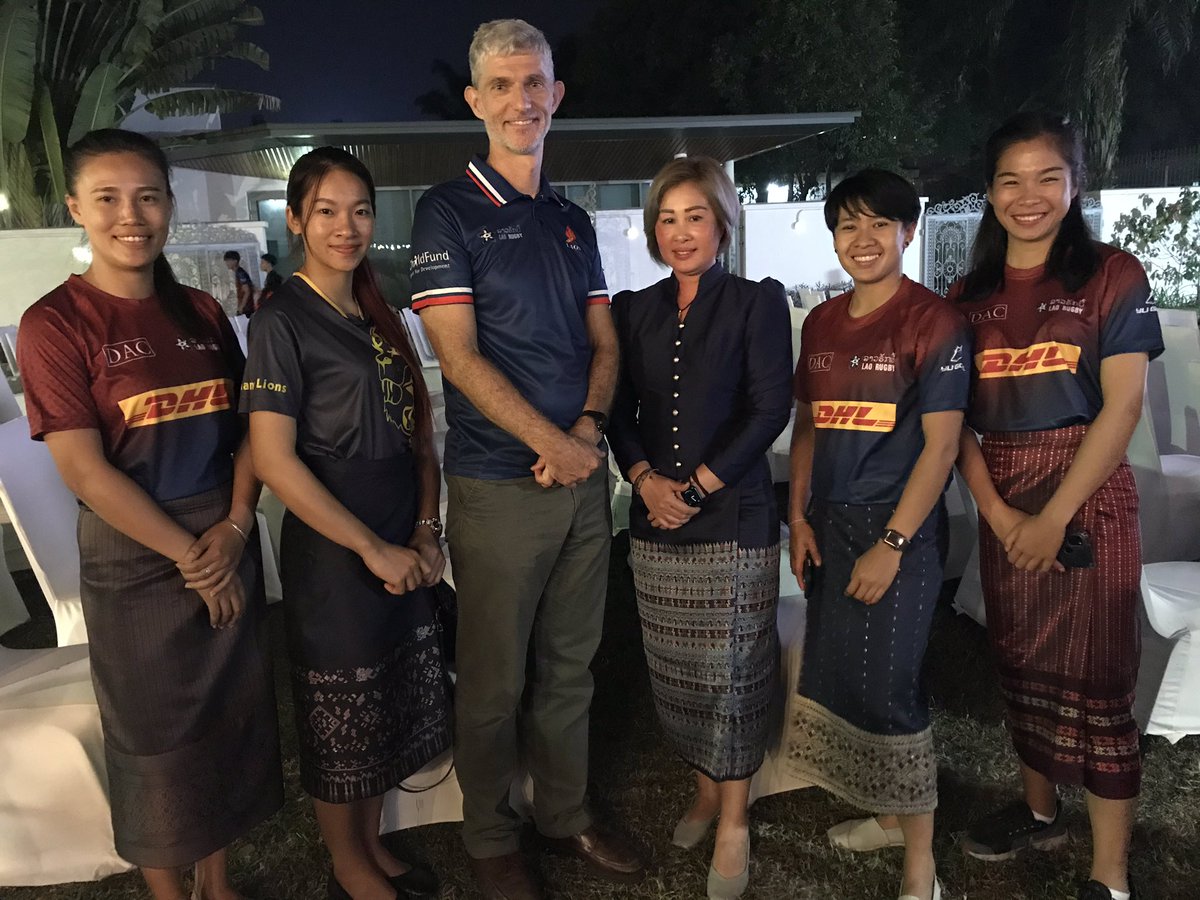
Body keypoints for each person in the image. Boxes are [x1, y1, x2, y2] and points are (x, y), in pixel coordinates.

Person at [408, 18, 645, 900]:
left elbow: (603, 341)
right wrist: (548, 442)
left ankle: (566, 813)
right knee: (496, 681)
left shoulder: (571, 219)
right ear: (475, 102)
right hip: (499, 486)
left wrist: (584, 434)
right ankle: (489, 836)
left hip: (580, 480)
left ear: (557, 96)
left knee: (572, 665)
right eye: (502, 86)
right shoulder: (448, 210)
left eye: (535, 82)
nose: (522, 100)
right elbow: (458, 360)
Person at [17, 128, 282, 900]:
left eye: (148, 196)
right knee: (155, 740)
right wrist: (192, 558)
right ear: (76, 208)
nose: (130, 215)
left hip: (224, 532)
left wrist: (233, 529)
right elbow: (84, 469)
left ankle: (220, 884)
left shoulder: (199, 310)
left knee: (230, 720)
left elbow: (248, 435)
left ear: (168, 206)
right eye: (107, 198)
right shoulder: (56, 323)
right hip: (136, 553)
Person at [950, 112, 1162, 900]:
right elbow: (953, 423)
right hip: (1000, 493)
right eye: (1011, 179)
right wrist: (1002, 518)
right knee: (1020, 661)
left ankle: (1109, 878)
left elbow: (1124, 408)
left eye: (1048, 177)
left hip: (1089, 493)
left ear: (1075, 186)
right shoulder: (966, 295)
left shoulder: (1112, 275)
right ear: (990, 191)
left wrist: (1051, 517)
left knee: (1100, 682)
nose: (1028, 195)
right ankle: (1041, 814)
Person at [242, 147, 451, 900]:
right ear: (296, 219)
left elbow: (418, 437)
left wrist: (427, 531)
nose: (346, 226)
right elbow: (273, 458)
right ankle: (348, 864)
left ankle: (371, 841)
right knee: (343, 710)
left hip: (401, 524)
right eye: (326, 210)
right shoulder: (282, 319)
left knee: (384, 697)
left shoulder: (377, 307)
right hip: (336, 544)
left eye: (360, 210)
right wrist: (371, 547)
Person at [608, 156, 792, 900]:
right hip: (656, 520)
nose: (680, 233)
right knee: (678, 673)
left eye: (695, 216)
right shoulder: (633, 308)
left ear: (722, 221)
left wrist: (698, 484)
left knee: (735, 672)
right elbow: (619, 412)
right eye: (666, 219)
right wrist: (646, 479)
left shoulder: (756, 303)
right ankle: (706, 789)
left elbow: (769, 408)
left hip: (734, 516)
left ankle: (734, 821)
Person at [787, 169, 971, 900]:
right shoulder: (822, 323)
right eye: (847, 226)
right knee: (847, 677)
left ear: (908, 232)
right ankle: (892, 817)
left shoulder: (935, 322)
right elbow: (806, 426)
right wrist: (797, 515)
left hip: (899, 528)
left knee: (891, 688)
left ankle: (920, 866)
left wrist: (891, 545)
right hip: (829, 523)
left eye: (878, 225)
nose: (862, 241)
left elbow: (942, 447)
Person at [225, 249, 255, 316]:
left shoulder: (240, 273)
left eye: (228, 260)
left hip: (247, 308)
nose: (226, 263)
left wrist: (241, 307)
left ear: (235, 261)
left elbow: (247, 291)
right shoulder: (238, 272)